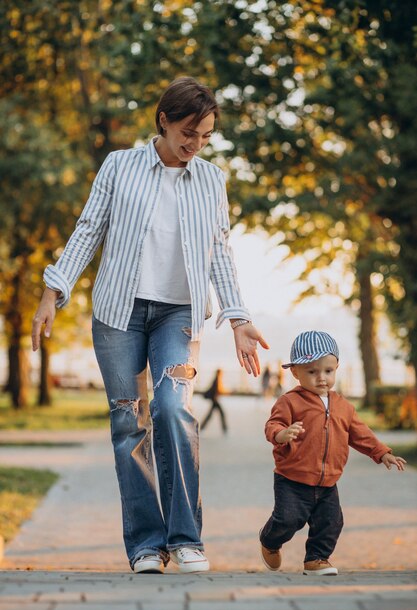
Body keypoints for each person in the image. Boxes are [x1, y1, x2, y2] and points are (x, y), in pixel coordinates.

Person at [31, 77, 269, 575]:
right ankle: (145, 544)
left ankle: (186, 538)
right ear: (163, 119)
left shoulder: (211, 179)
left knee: (171, 407)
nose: (195, 144)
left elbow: (219, 252)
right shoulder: (119, 166)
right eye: (188, 132)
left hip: (177, 313)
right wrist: (53, 292)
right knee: (127, 421)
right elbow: (88, 229)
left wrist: (238, 317)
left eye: (204, 136)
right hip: (119, 312)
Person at [259, 330, 406, 576]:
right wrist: (281, 434)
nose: (321, 378)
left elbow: (360, 433)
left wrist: (382, 453)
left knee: (331, 522)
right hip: (292, 479)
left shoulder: (343, 406)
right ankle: (269, 541)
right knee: (287, 520)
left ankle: (316, 559)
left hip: (328, 481)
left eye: (328, 371)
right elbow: (272, 425)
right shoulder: (289, 401)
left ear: (336, 367)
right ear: (295, 372)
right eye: (312, 372)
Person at [200, 368, 227, 433]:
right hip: (215, 400)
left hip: (214, 400)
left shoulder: (216, 379)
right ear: (219, 373)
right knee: (221, 414)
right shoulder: (217, 380)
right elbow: (218, 390)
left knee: (210, 415)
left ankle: (202, 428)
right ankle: (225, 429)